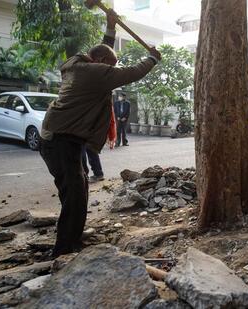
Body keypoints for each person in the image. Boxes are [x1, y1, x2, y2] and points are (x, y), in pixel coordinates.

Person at [39, 10, 161, 258]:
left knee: (75, 189)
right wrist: (152, 58)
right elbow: (132, 72)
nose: (111, 71)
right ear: (101, 62)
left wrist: (110, 27)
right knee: (75, 192)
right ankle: (63, 251)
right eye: (110, 66)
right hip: (61, 140)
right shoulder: (93, 72)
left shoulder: (79, 64)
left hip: (60, 138)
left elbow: (102, 51)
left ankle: (70, 237)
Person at [82, 106, 117, 182]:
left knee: (86, 152)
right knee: (89, 152)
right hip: (88, 131)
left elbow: (111, 120)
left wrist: (111, 136)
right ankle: (96, 174)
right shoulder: (102, 99)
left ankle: (87, 175)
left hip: (90, 132)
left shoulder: (104, 100)